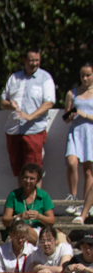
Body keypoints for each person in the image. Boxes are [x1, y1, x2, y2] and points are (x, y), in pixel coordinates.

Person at [0, 49, 55, 177]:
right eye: (31, 60)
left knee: (34, 170)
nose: (34, 63)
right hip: (14, 130)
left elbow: (49, 103)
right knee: (19, 171)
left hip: (34, 130)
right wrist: (10, 105)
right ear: (24, 60)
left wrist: (30, 116)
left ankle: (35, 197)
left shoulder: (45, 78)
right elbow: (2, 101)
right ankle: (22, 197)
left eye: (37, 60)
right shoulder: (14, 77)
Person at [63, 64, 93, 223]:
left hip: (91, 133)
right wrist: (71, 114)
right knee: (71, 162)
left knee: (89, 170)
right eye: (83, 75)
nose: (85, 78)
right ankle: (73, 199)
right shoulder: (72, 93)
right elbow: (66, 116)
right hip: (76, 132)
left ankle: (85, 204)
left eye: (88, 75)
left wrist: (84, 114)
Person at [2, 163, 55, 244]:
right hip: (17, 233)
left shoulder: (44, 196)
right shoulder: (13, 195)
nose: (28, 181)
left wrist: (39, 216)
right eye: (25, 177)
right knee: (22, 228)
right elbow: (5, 220)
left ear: (37, 180)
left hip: (37, 232)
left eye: (32, 178)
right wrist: (18, 217)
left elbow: (51, 220)